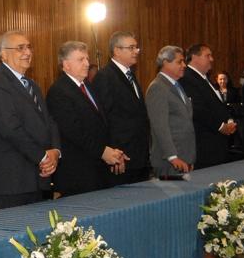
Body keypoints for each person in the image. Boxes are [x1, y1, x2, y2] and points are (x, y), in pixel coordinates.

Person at [0, 31, 61, 211]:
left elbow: (49, 121)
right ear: (3, 54)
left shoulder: (32, 85)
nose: (28, 52)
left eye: (29, 47)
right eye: (20, 48)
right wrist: (43, 157)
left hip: (36, 178)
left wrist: (55, 152)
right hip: (10, 181)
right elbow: (10, 129)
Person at [46, 41, 127, 196]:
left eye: (87, 59)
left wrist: (113, 151)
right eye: (81, 59)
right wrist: (103, 151)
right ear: (66, 64)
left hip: (97, 169)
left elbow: (102, 123)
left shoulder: (87, 86)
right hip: (78, 173)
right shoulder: (58, 92)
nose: (87, 64)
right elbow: (74, 132)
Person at [91, 31, 150, 184]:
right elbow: (103, 119)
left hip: (139, 156)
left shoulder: (129, 75)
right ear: (117, 51)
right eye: (131, 48)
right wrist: (115, 154)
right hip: (121, 158)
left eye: (136, 47)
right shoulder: (105, 76)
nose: (136, 51)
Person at [180, 44, 236, 168]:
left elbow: (218, 105)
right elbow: (197, 108)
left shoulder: (205, 78)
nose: (212, 59)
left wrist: (229, 121)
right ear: (195, 57)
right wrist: (221, 126)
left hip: (216, 143)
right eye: (208, 56)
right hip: (204, 145)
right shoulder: (187, 77)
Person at [146, 46, 196, 177]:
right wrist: (172, 157)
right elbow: (160, 127)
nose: (184, 65)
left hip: (184, 156)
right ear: (165, 63)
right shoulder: (157, 87)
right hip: (170, 162)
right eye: (179, 62)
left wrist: (189, 157)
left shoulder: (177, 85)